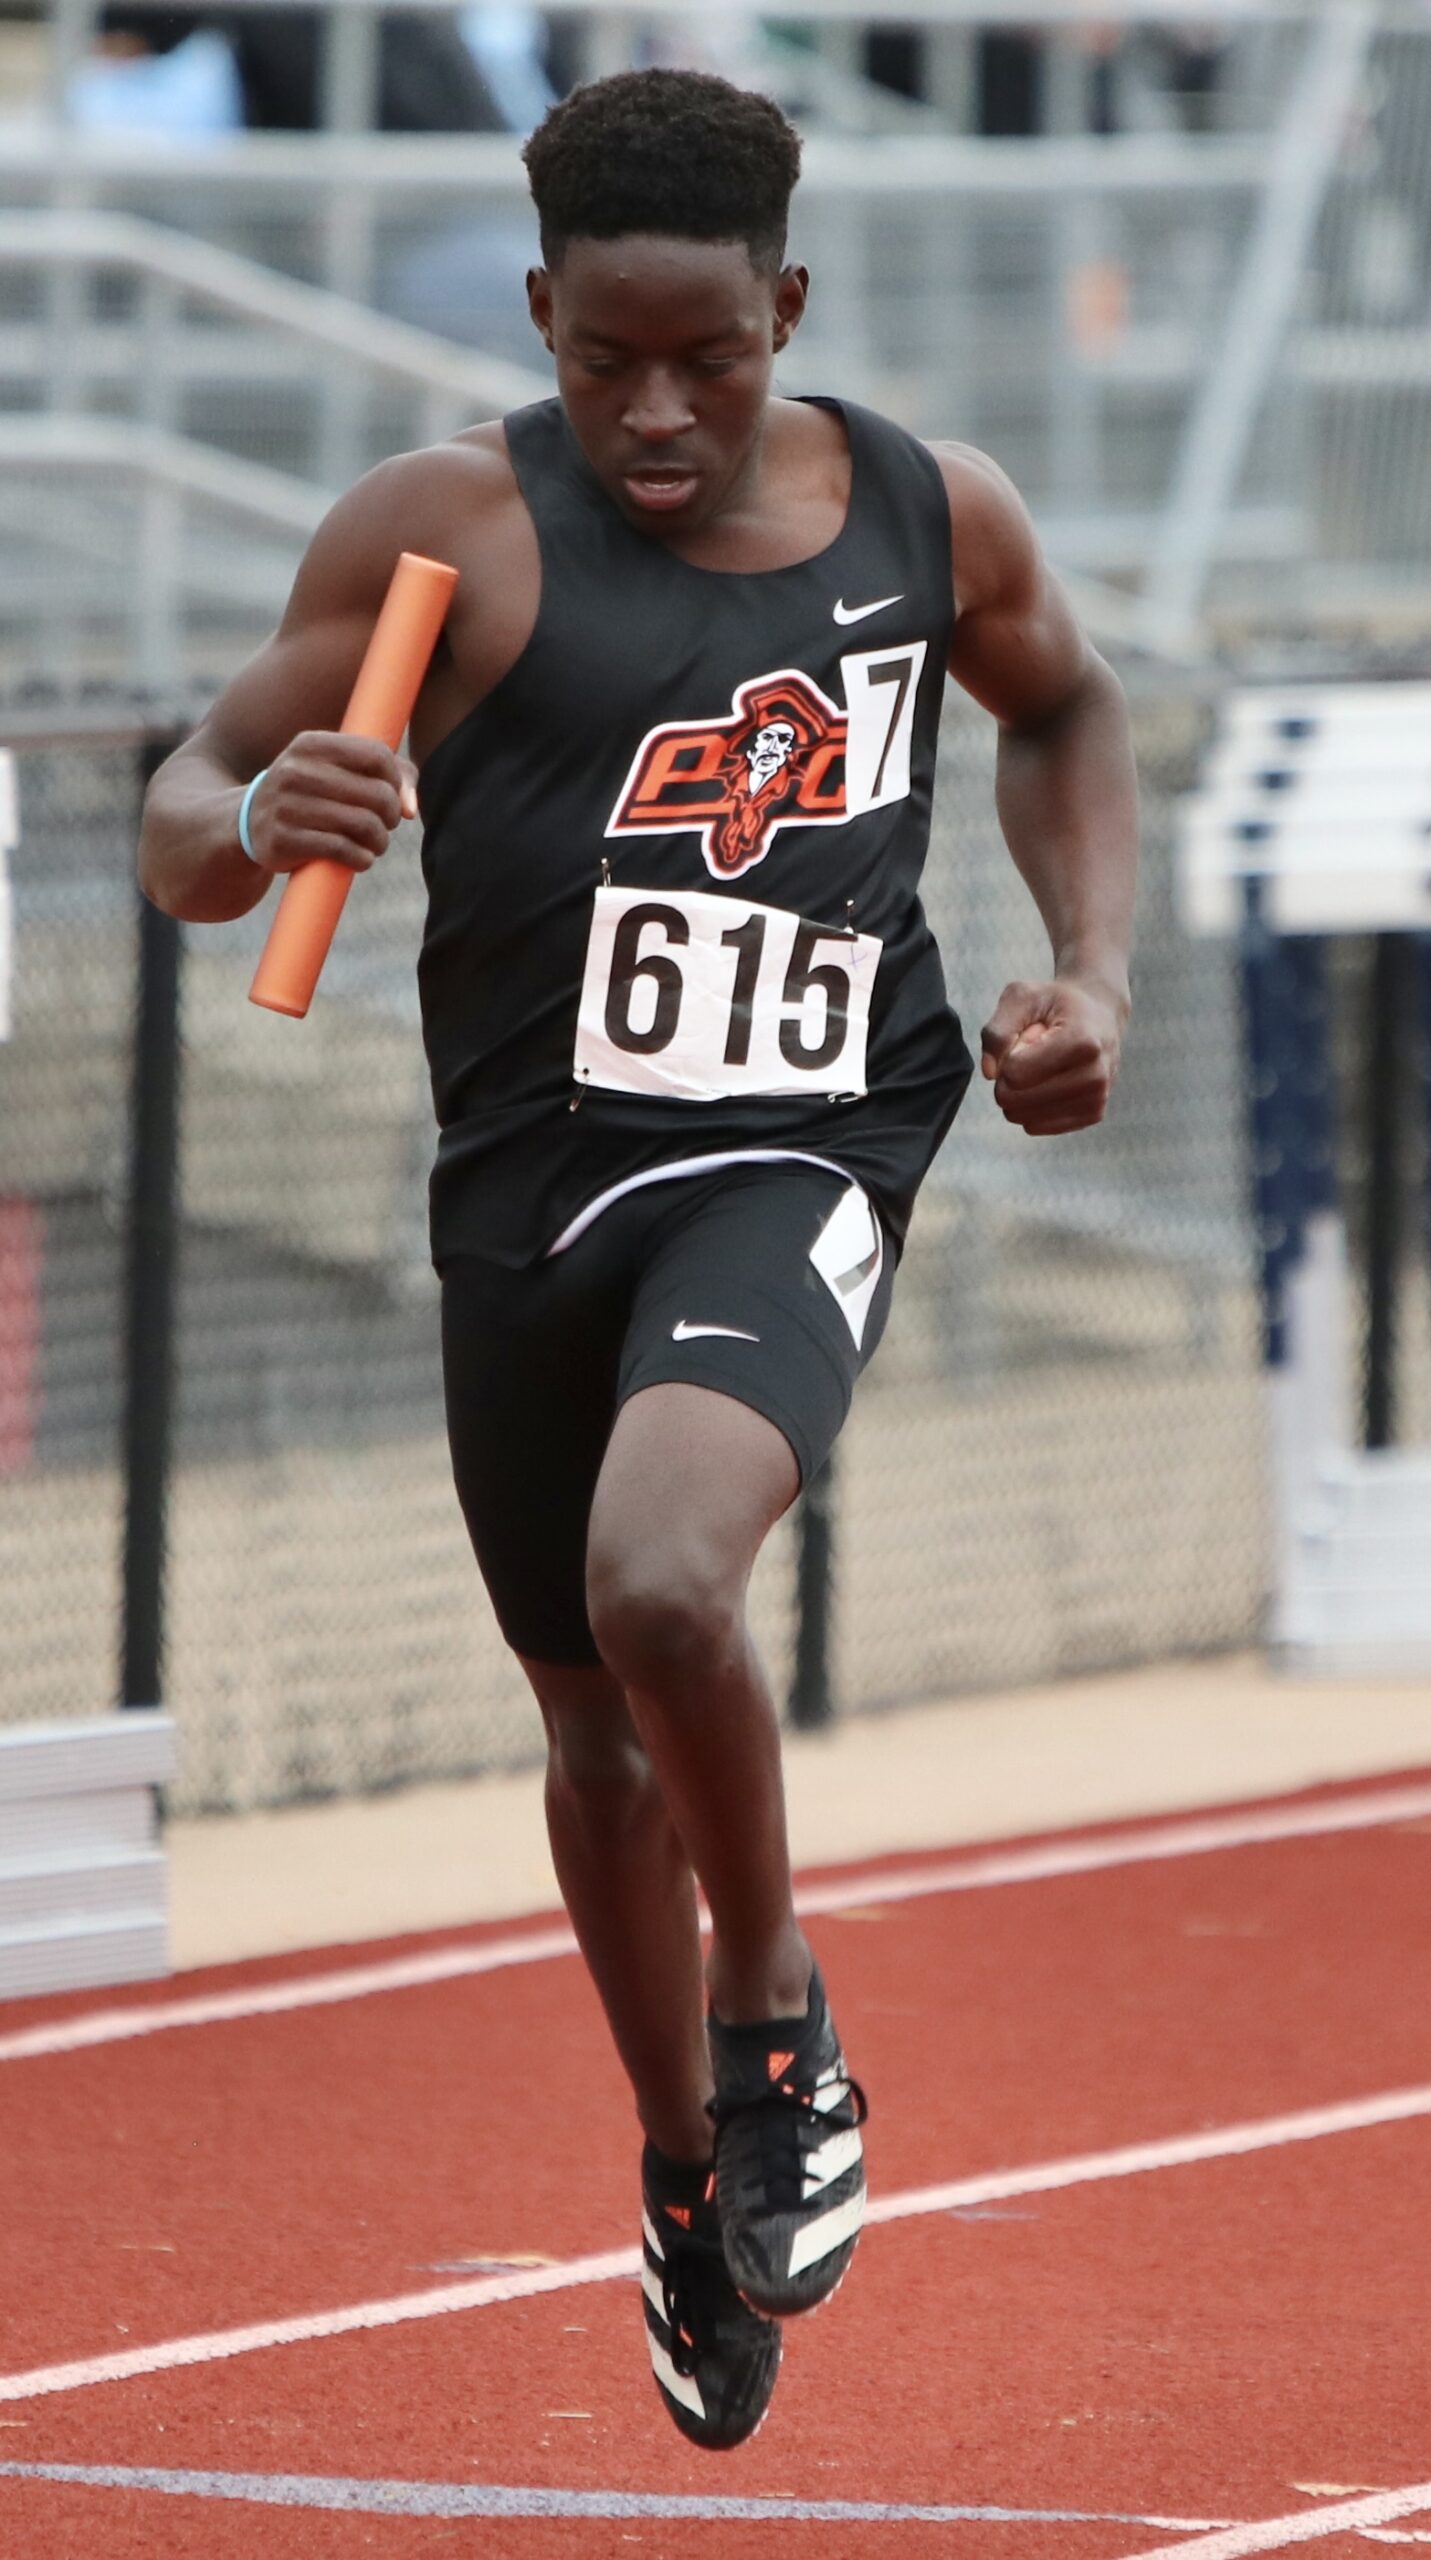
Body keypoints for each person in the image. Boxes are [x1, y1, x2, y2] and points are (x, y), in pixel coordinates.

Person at [138, 68, 1138, 2453]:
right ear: (537, 316)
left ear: (787, 305)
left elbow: (1065, 704)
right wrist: (259, 804)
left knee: (666, 1578)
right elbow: (179, 817)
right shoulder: (444, 532)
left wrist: (1089, 969)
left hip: (804, 1138)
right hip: (533, 1182)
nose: (660, 414)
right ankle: (687, 2173)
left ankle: (774, 2016)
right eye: (607, 363)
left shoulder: (927, 512)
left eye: (711, 359)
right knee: (590, 1722)